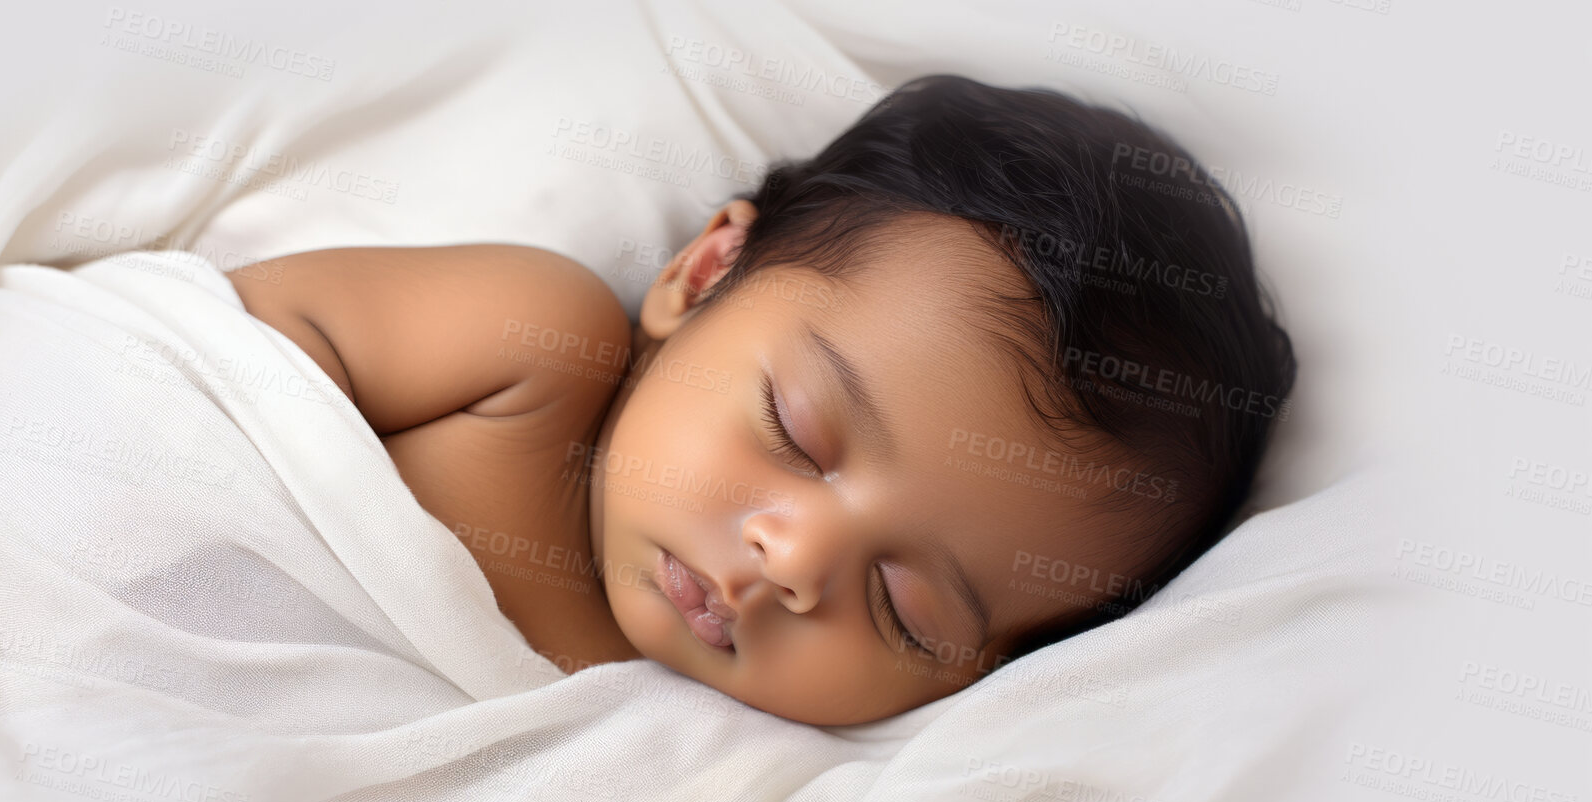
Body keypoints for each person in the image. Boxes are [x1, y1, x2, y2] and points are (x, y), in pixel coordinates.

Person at [227, 73, 1296, 726]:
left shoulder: (713, 778)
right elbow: (181, 363)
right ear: (702, 275)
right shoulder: (528, 358)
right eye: (796, 432)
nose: (792, 562)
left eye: (905, 612)